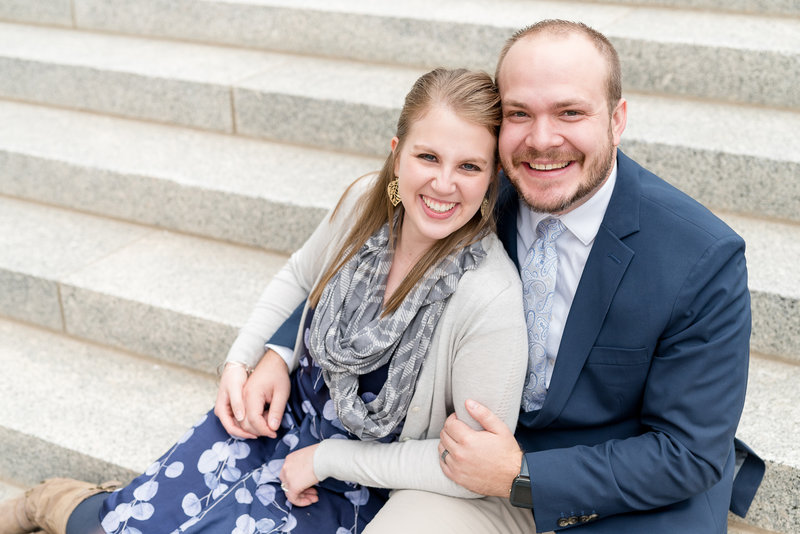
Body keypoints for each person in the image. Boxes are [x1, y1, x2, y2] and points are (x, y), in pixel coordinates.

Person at [262, 20, 763, 534]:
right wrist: (279, 349)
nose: (543, 140)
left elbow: (687, 454)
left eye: (570, 112)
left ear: (617, 120)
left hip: (633, 496)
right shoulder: (468, 195)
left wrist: (522, 475)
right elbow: (360, 257)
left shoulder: (701, 256)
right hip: (474, 474)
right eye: (520, 114)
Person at [0, 68, 529, 534]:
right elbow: (300, 276)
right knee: (130, 525)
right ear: (396, 156)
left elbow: (463, 466)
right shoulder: (364, 205)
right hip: (280, 417)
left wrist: (326, 459)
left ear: (492, 180)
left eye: (469, 167)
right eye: (427, 156)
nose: (443, 183)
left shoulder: (490, 298)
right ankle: (49, 501)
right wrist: (255, 356)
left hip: (358, 481)